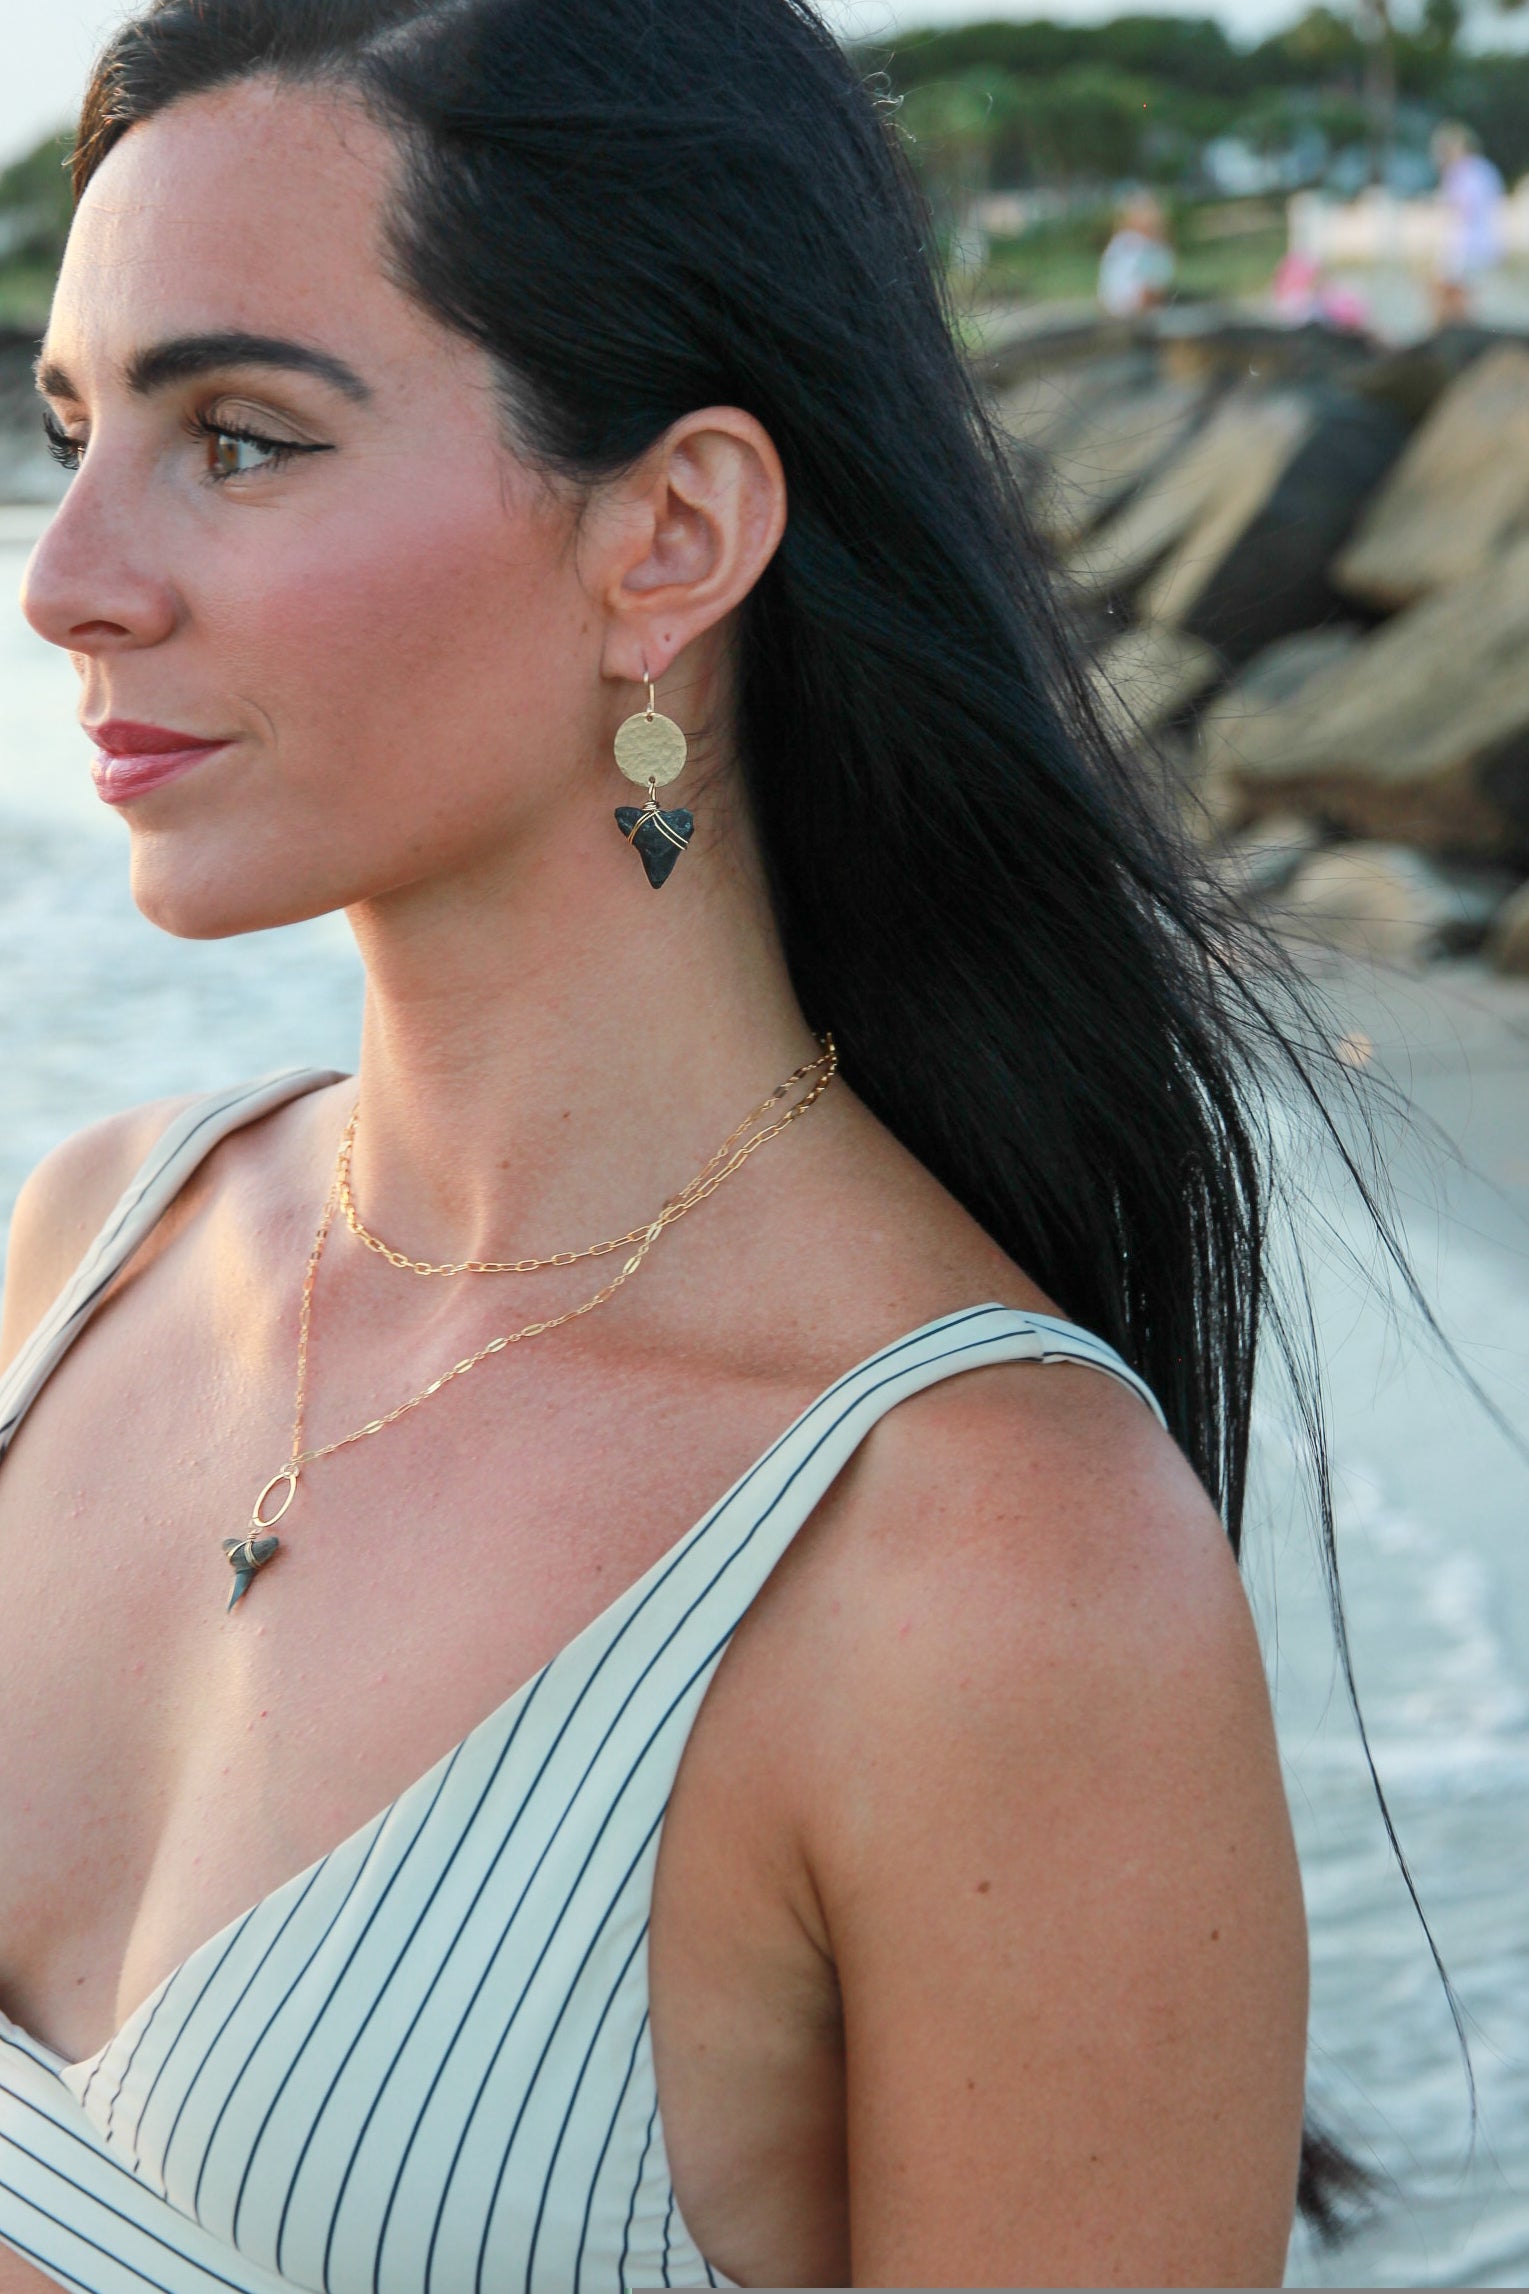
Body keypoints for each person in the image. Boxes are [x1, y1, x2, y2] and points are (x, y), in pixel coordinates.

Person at [0, 1, 1313, 2285]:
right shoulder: (84, 1249)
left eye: (238, 437)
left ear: (672, 531)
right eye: (75, 426)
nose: (67, 575)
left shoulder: (992, 1571)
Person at [1431, 121, 1506, 326]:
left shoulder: (1463, 172)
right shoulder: (1486, 170)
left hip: (1465, 244)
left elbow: (1463, 208)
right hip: (1483, 244)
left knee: (1452, 291)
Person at [1097, 190, 1177, 320]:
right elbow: (1146, 291)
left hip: (1114, 307)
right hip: (1135, 310)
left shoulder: (1120, 241)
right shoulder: (1145, 247)